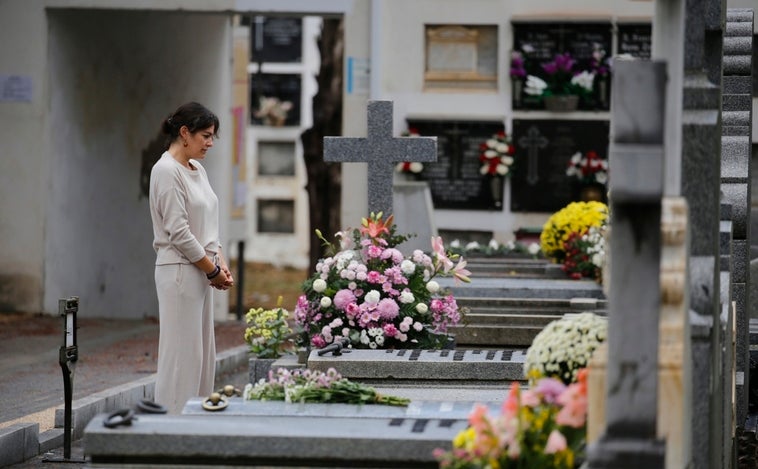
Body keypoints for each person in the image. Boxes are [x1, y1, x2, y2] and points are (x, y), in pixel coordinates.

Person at [149, 101, 234, 413]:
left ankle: (195, 420)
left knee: (201, 357)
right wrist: (212, 270)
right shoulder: (166, 171)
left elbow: (210, 226)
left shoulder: (197, 169)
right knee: (181, 357)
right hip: (180, 271)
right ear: (184, 133)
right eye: (206, 136)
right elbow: (178, 231)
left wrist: (220, 262)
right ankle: (170, 427)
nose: (210, 143)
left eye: (213, 136)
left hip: (201, 271)